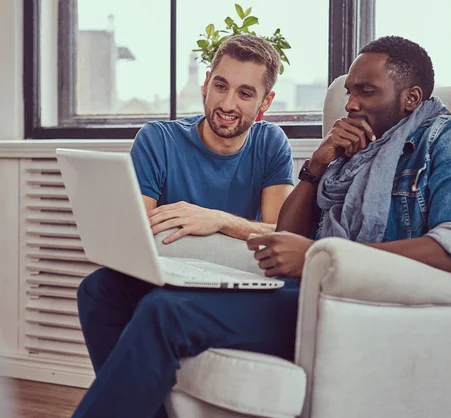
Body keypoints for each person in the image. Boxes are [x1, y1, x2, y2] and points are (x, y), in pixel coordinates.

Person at [72, 35, 297, 418]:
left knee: (158, 308)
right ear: (206, 83)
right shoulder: (158, 139)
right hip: (171, 271)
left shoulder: (271, 143)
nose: (227, 104)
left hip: (234, 276)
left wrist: (217, 219)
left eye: (245, 93)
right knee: (96, 291)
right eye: (221, 86)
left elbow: (281, 233)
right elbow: (137, 232)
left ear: (265, 103)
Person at [247, 35, 451, 281]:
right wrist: (316, 164)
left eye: (366, 91)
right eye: (350, 93)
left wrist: (322, 257)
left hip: (376, 300)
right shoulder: (354, 152)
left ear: (411, 98)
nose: (350, 105)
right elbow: (284, 245)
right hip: (318, 288)